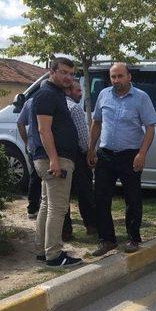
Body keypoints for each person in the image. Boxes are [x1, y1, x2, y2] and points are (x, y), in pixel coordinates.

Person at [88, 62, 156, 257]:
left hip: (130, 155)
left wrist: (142, 154)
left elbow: (150, 128)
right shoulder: (103, 95)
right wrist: (90, 149)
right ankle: (107, 240)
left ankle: (133, 238)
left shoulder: (141, 98)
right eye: (113, 77)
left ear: (129, 77)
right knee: (101, 198)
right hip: (105, 154)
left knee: (132, 199)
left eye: (120, 76)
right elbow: (97, 123)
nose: (116, 80)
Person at [30, 57, 82, 267]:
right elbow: (44, 129)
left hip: (54, 158)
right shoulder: (46, 94)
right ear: (51, 72)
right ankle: (54, 255)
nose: (68, 77)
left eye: (71, 74)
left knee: (46, 205)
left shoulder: (56, 94)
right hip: (55, 159)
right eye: (63, 72)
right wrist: (54, 160)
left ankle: (42, 250)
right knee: (58, 208)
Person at [62, 79, 97, 240]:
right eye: (78, 91)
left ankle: (66, 231)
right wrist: (90, 152)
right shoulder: (75, 109)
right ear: (69, 91)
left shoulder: (57, 105)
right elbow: (83, 138)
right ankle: (91, 226)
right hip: (77, 156)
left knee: (63, 196)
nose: (80, 94)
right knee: (85, 194)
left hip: (61, 156)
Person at [17, 97, 42, 219]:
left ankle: (32, 209)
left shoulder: (30, 102)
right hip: (45, 147)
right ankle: (42, 209)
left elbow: (20, 122)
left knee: (35, 177)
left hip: (33, 146)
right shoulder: (54, 98)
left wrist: (26, 141)